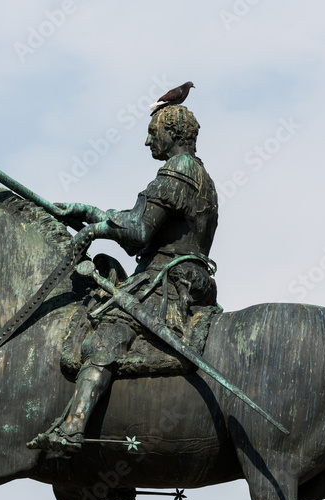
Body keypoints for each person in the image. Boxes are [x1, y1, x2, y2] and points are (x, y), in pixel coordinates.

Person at [28, 104, 218, 453]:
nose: (148, 141)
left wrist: (97, 229)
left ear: (172, 133)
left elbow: (140, 230)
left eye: (152, 132)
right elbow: (138, 220)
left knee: (108, 333)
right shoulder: (197, 175)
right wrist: (87, 212)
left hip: (168, 281)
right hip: (188, 278)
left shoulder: (177, 171)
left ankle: (74, 427)